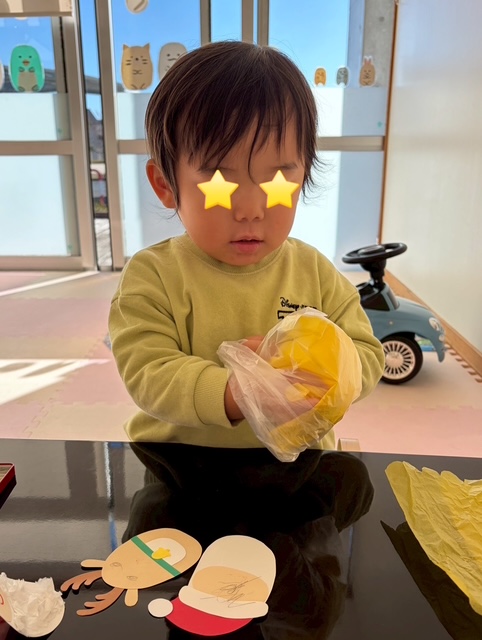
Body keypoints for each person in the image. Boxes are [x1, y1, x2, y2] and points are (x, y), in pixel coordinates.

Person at [108, 40, 384, 526]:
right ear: (166, 184)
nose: (251, 208)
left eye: (278, 180)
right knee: (156, 538)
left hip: (296, 464)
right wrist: (239, 391)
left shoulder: (316, 272)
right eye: (220, 181)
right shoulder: (153, 276)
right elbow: (148, 372)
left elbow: (367, 353)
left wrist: (325, 375)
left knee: (351, 498)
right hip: (183, 464)